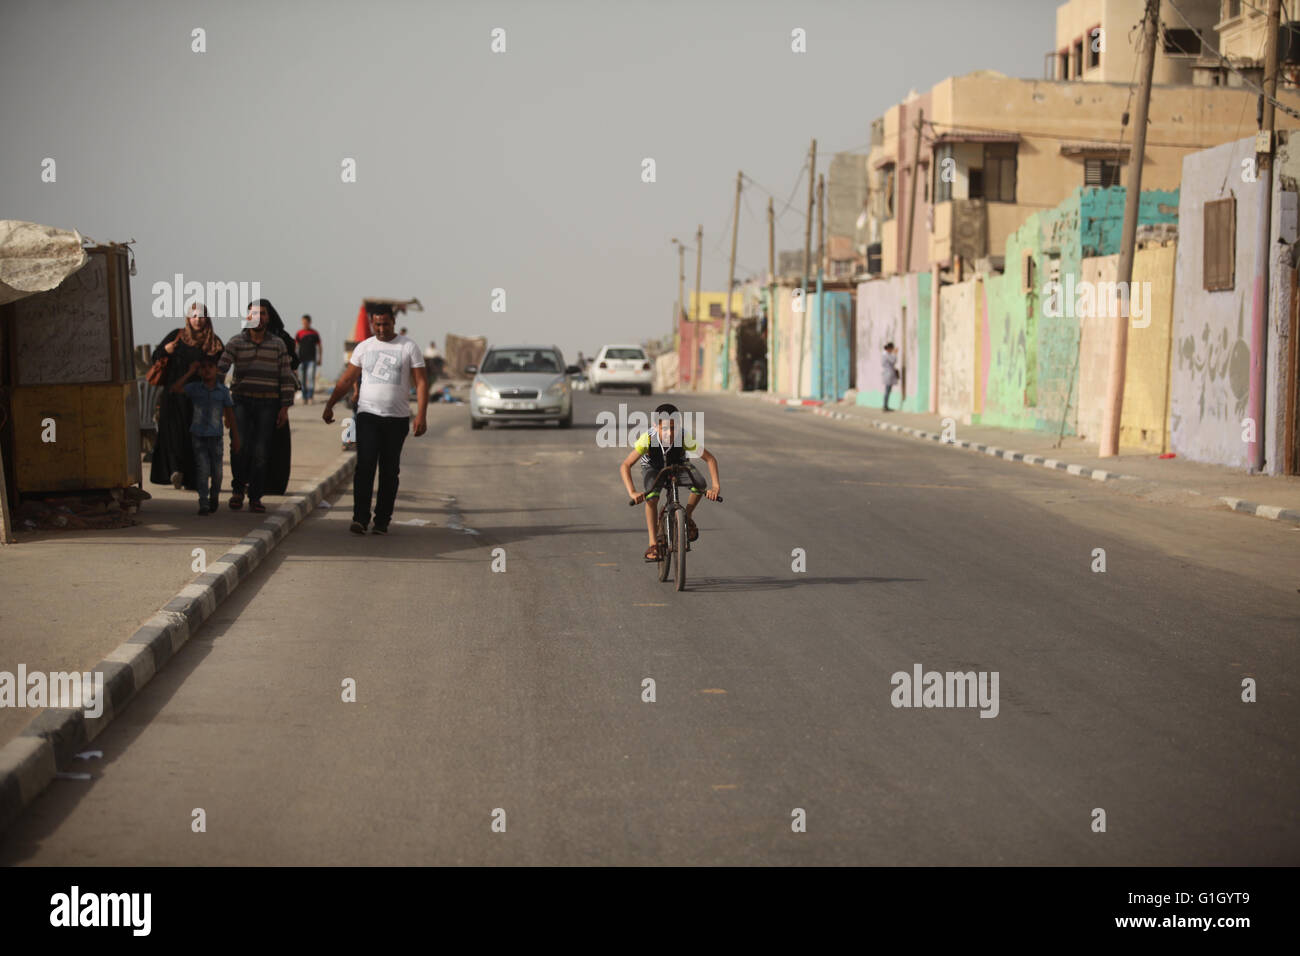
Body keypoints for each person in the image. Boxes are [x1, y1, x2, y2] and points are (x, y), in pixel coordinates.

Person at [322, 304, 428, 535]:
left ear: (393, 323)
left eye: (386, 324)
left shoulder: (408, 347)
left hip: (397, 418)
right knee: (365, 466)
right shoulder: (364, 347)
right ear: (372, 323)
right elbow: (346, 379)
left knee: (389, 471)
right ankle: (360, 518)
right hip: (368, 415)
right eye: (377, 324)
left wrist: (421, 414)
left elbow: (420, 381)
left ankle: (382, 520)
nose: (381, 329)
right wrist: (330, 405)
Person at [217, 301, 296, 513]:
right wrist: (220, 402)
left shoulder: (278, 344)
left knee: (261, 451)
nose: (258, 317)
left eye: (262, 313)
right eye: (254, 313)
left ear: (268, 318)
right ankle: (237, 490)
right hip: (240, 401)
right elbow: (220, 371)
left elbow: (286, 377)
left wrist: (285, 407)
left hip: (268, 403)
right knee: (239, 445)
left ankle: (255, 496)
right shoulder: (236, 342)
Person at [619, 402, 721, 562]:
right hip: (653, 467)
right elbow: (626, 465)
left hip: (678, 465)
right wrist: (632, 492)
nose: (669, 433)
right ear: (655, 426)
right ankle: (653, 543)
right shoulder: (647, 438)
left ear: (679, 425)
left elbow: (710, 459)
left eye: (673, 428)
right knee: (652, 498)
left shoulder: (683, 436)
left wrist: (715, 486)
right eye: (664, 428)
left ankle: (686, 516)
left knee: (700, 484)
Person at [150, 302, 224, 490]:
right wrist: (165, 351)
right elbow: (155, 357)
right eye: (194, 316)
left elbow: (221, 369)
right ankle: (176, 470)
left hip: (200, 399)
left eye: (201, 316)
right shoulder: (178, 336)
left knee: (196, 439)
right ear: (188, 318)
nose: (198, 320)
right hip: (174, 396)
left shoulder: (213, 343)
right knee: (173, 434)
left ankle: (193, 478)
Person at [170, 356, 240, 515]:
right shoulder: (195, 388)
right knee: (202, 470)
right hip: (198, 436)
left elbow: (230, 415)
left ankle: (214, 495)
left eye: (211, 366)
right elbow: (175, 388)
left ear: (216, 370)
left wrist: (235, 438)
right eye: (203, 367)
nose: (207, 370)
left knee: (217, 472)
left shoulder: (222, 391)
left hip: (216, 437)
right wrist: (190, 372)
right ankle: (203, 502)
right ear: (199, 371)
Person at [295, 314, 322, 404]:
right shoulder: (299, 333)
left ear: (309, 322)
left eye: (306, 322)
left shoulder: (314, 333)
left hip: (311, 360)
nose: (304, 324)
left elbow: (319, 346)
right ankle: (304, 397)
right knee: (302, 379)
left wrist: (320, 358)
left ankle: (310, 397)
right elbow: (296, 346)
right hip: (301, 360)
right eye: (303, 322)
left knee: (310, 378)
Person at [882, 341, 900, 412]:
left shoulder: (885, 354)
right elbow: (893, 361)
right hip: (888, 374)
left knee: (888, 390)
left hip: (888, 373)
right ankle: (885, 406)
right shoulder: (886, 355)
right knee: (887, 390)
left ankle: (885, 405)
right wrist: (895, 354)